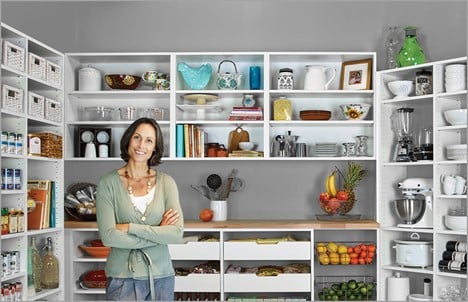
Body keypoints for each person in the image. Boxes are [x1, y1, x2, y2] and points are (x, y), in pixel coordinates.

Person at [96, 117, 183, 301]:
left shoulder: (166, 183)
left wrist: (130, 227)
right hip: (122, 279)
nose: (141, 144)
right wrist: (158, 233)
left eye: (149, 140)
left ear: (155, 148)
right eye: (137, 137)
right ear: (128, 140)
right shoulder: (108, 183)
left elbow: (176, 234)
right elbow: (108, 236)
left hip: (161, 278)